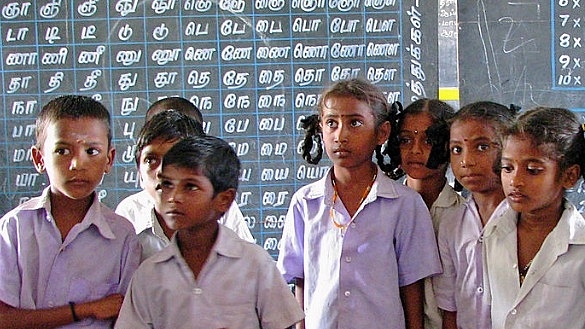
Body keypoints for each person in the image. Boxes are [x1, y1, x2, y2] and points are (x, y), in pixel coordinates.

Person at [277, 78, 442, 329]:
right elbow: (300, 279)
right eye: (331, 123)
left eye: (355, 123)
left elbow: (411, 287)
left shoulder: (404, 205)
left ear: (381, 132)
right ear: (320, 128)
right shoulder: (305, 203)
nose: (340, 135)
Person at [115, 135, 304, 329]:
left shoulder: (255, 265)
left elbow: (283, 324)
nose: (174, 197)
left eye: (190, 187)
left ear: (224, 199)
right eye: (167, 185)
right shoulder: (150, 273)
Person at [0, 95, 141, 328]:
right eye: (63, 151)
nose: (78, 163)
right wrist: (86, 310)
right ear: (39, 158)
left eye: (92, 151)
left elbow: (125, 318)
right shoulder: (14, 228)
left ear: (109, 159)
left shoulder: (122, 236)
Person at [484, 107, 585, 329]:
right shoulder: (493, 234)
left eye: (532, 170)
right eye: (507, 168)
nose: (515, 181)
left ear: (569, 176)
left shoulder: (581, 247)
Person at [116, 109, 254, 260]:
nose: (161, 172)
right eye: (151, 160)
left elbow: (248, 267)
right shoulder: (129, 213)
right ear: (139, 173)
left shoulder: (220, 206)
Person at [433, 101, 516, 329]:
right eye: (456, 149)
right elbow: (450, 306)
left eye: (482, 147)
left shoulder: (526, 220)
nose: (466, 161)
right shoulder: (451, 222)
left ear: (509, 149)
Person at [389, 99, 466, 329]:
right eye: (405, 140)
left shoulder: (464, 217)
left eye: (429, 140)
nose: (415, 150)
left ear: (448, 145)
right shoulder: (382, 211)